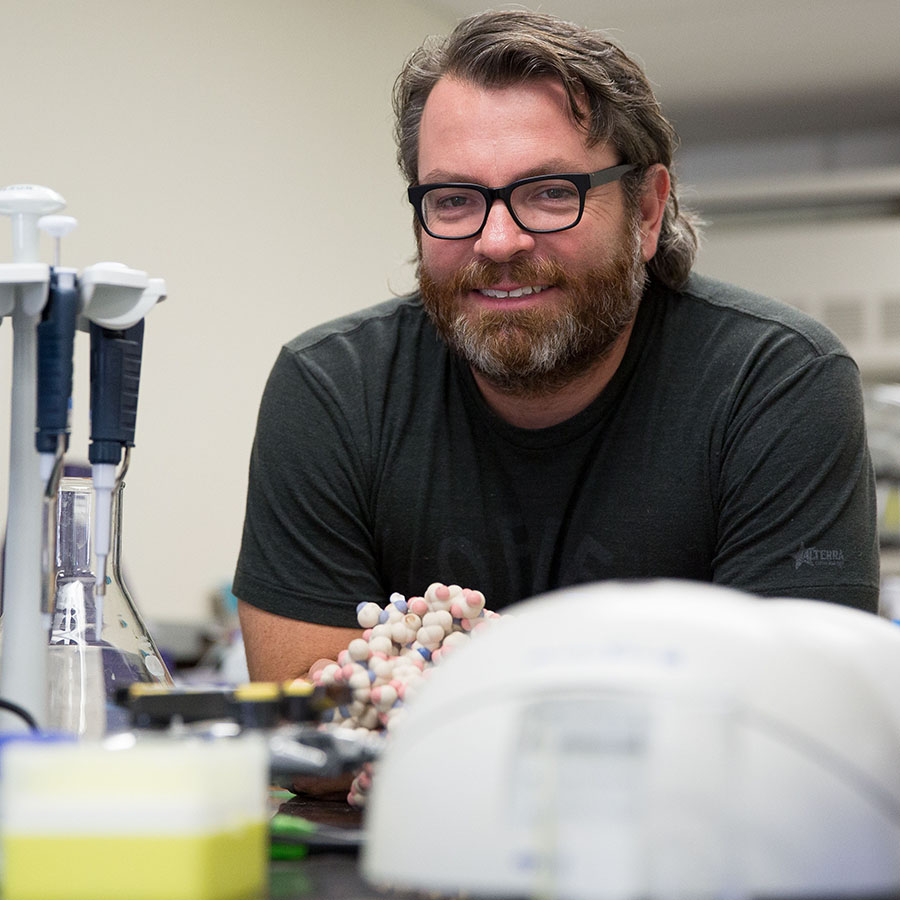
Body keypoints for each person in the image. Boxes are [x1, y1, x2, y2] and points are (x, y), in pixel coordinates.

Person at [234, 10, 880, 682]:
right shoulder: (334, 390)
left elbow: (793, 720)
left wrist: (432, 684)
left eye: (549, 193)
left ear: (648, 211)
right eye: (454, 199)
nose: (497, 241)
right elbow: (309, 727)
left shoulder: (774, 382)